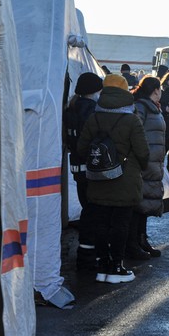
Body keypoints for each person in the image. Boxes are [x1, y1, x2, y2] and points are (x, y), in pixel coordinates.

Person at [76, 74, 150, 284]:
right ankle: (117, 268)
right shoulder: (131, 119)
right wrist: (137, 167)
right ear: (125, 93)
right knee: (120, 224)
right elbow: (143, 152)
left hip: (98, 179)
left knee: (100, 223)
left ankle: (103, 267)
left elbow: (82, 148)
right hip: (125, 179)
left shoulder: (94, 116)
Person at [63, 72, 104, 270]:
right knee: (93, 213)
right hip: (92, 169)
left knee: (86, 208)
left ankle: (85, 253)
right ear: (94, 91)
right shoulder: (92, 111)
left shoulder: (71, 108)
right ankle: (88, 255)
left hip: (77, 168)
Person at [129, 76, 166, 260]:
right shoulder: (142, 107)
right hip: (145, 163)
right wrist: (143, 158)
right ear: (155, 90)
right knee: (139, 203)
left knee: (144, 203)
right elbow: (137, 133)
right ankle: (134, 243)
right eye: (160, 90)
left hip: (152, 163)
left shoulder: (151, 107)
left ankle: (141, 240)